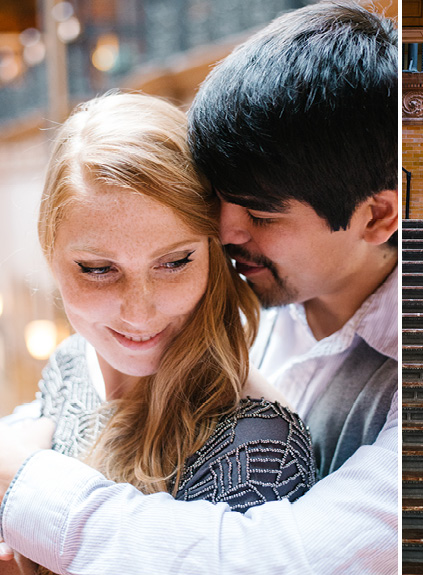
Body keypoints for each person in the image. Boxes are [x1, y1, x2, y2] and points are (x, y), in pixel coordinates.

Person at [0, 2, 398, 574]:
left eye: (260, 213)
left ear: (375, 218)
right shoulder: (253, 285)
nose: (226, 230)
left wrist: (23, 486)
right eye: (222, 199)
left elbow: (277, 559)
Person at [2, 92, 316, 574]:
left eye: (174, 262)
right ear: (50, 256)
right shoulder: (69, 362)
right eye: (97, 269)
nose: (139, 312)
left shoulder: (256, 444)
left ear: (215, 251)